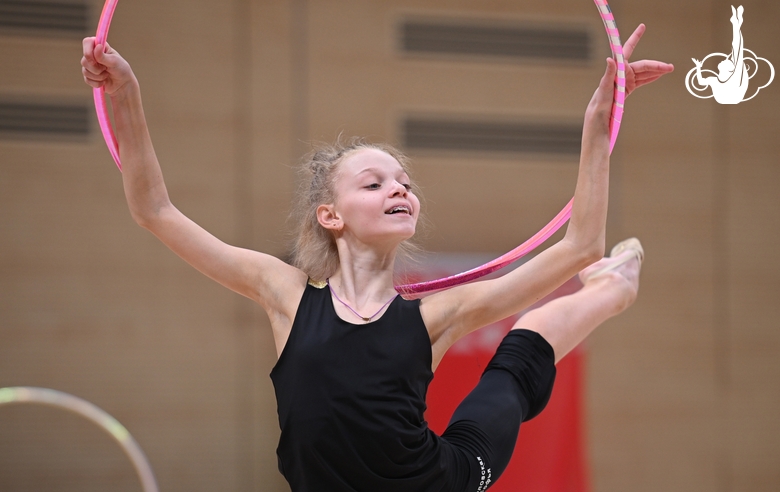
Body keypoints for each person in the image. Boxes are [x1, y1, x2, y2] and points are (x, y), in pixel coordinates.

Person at [81, 22, 673, 491]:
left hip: (444, 479)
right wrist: (125, 93)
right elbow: (154, 210)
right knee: (517, 354)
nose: (399, 188)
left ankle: (613, 289)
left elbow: (578, 246)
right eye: (374, 183)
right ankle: (610, 288)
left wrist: (597, 124)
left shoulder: (434, 315)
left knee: (519, 362)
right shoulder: (283, 293)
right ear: (329, 215)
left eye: (405, 182)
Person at [692, 5, 748, 104]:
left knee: (737, 50)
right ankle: (736, 23)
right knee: (736, 51)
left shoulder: (734, 78)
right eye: (729, 60)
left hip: (733, 96)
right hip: (727, 97)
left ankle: (736, 23)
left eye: (728, 61)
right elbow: (701, 82)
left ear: (730, 69)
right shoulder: (714, 80)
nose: (725, 59)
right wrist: (698, 67)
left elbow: (737, 48)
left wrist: (736, 26)